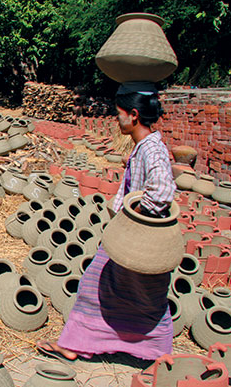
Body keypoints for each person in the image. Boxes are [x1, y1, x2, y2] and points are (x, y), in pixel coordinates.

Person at [37, 81, 177, 362]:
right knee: (115, 290)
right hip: (131, 236)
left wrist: (137, 213)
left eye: (119, 113)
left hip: (139, 239)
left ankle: (158, 353)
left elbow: (163, 190)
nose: (117, 119)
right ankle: (80, 343)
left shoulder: (152, 150)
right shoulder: (145, 147)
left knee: (141, 296)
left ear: (133, 115)